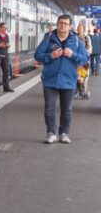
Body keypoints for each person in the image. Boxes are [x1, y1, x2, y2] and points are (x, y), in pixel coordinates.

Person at [34, 15, 89, 144]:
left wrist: (73, 54)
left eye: (65, 23)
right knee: (49, 108)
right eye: (60, 23)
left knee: (67, 109)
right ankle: (51, 133)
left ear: (70, 26)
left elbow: (85, 58)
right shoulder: (48, 39)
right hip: (50, 80)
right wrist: (50, 56)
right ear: (57, 24)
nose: (62, 26)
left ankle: (64, 133)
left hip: (69, 80)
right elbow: (37, 55)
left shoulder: (76, 41)